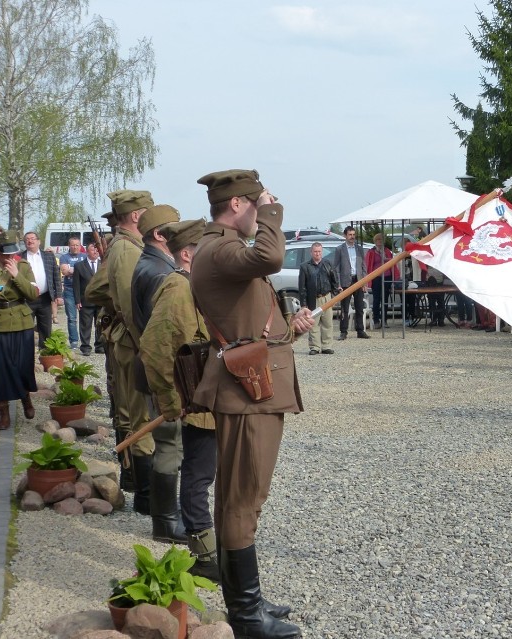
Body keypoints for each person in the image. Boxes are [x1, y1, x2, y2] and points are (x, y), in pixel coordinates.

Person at [191, 169, 313, 639]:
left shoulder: (218, 249)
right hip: (247, 396)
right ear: (239, 204)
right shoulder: (219, 248)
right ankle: (246, 618)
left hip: (252, 385)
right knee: (243, 501)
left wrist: (289, 328)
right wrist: (271, 212)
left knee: (239, 498)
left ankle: (250, 602)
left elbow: (246, 317)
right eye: (256, 203)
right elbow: (271, 254)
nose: (262, 210)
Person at [139, 219, 219, 580]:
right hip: (198, 403)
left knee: (210, 474)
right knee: (198, 477)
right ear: (187, 254)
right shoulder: (177, 287)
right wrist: (172, 402)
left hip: (217, 398)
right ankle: (203, 556)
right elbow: (154, 348)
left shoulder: (201, 284)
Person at [131, 203, 185, 544]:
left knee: (170, 442)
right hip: (164, 368)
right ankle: (165, 521)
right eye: (176, 231)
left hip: (158, 365)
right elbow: (165, 333)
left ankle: (167, 514)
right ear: (160, 235)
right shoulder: (158, 272)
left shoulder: (153, 264)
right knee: (170, 443)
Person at [104, 189, 155, 514]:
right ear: (136, 215)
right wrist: (149, 348)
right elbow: (129, 305)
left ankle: (144, 491)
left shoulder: (129, 246)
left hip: (133, 342)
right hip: (134, 344)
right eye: (147, 210)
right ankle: (148, 498)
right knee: (141, 418)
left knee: (139, 416)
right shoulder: (124, 250)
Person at [0, 231, 39, 428]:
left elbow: (33, 294)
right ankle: (4, 412)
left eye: (12, 253)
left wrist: (16, 275)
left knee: (22, 366)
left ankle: (25, 397)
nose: (9, 258)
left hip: (21, 323)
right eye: (4, 254)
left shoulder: (23, 266)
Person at [22, 231, 62, 348]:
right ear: (25, 243)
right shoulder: (20, 257)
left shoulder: (49, 256)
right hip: (26, 299)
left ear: (39, 241)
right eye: (27, 239)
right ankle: (26, 354)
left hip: (45, 298)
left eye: (33, 238)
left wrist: (58, 295)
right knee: (26, 327)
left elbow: (56, 276)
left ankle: (45, 353)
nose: (30, 241)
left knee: (46, 328)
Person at [298, 242, 337, 354]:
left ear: (322, 251)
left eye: (319, 251)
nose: (317, 254)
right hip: (312, 298)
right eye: (315, 251)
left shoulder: (328, 264)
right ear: (311, 252)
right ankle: (315, 347)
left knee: (328, 322)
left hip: (326, 297)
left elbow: (334, 281)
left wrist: (334, 297)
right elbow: (302, 287)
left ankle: (327, 346)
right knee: (313, 324)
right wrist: (304, 304)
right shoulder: (305, 267)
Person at [331, 225, 369, 339]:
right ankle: (343, 331)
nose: (352, 237)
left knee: (359, 307)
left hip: (358, 280)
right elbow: (335, 267)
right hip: (345, 281)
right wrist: (338, 284)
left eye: (353, 234)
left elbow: (363, 266)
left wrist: (364, 282)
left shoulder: (359, 249)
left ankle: (360, 330)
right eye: (350, 235)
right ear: (345, 236)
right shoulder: (339, 249)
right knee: (344, 308)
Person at [73, 243, 102, 356]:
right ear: (86, 251)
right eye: (92, 249)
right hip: (85, 301)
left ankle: (99, 345)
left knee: (100, 324)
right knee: (85, 325)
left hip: (100, 301)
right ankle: (85, 347)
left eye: (96, 249)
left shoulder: (103, 264)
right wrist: (77, 300)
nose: (95, 251)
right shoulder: (79, 266)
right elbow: (76, 285)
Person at [365, 233, 398, 330]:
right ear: (375, 242)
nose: (379, 242)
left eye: (381, 240)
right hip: (376, 278)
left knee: (385, 300)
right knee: (376, 300)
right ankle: (376, 321)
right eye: (378, 240)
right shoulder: (371, 252)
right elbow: (367, 264)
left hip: (387, 277)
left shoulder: (387, 251)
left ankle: (384, 320)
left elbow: (393, 262)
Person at [58, 237, 85, 349]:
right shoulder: (64, 257)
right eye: (73, 245)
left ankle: (85, 341)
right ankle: (74, 341)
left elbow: (88, 271)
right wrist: (80, 271)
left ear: (80, 246)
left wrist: (73, 270)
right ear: (69, 246)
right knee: (72, 318)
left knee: (85, 317)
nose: (75, 247)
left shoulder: (85, 256)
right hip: (69, 289)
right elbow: (65, 271)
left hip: (83, 290)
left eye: (77, 245)